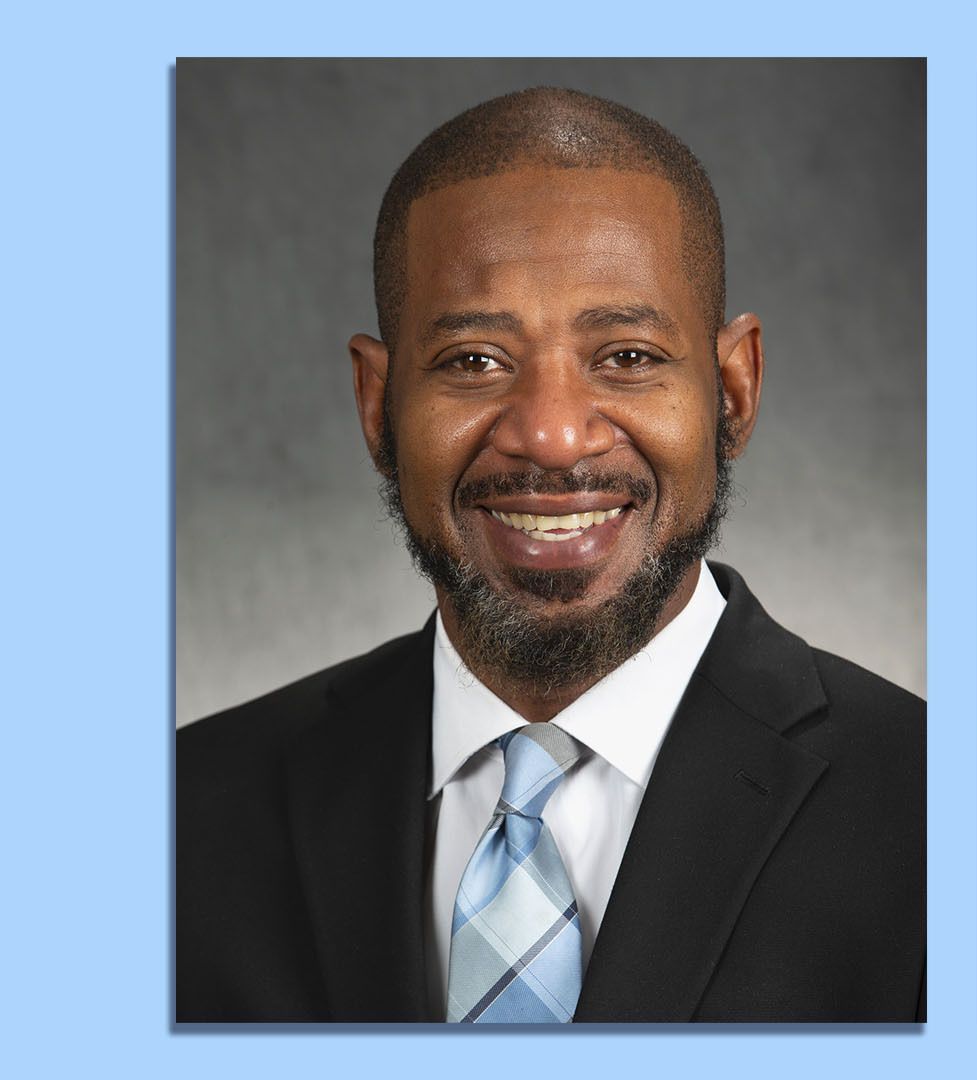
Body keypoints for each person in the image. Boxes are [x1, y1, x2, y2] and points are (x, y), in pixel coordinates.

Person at [177, 87, 925, 1023]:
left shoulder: (937, 811)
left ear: (734, 389)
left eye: (628, 357)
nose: (554, 435)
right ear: (377, 404)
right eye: (475, 361)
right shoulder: (186, 815)